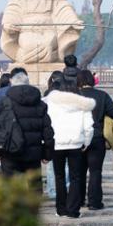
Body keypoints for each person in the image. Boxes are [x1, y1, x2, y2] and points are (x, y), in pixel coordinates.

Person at [0, 69, 54, 186]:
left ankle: (14, 204)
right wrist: (47, 153)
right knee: (34, 186)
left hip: (9, 150)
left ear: (12, 83)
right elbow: (48, 131)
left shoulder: (3, 103)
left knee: (10, 186)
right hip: (33, 152)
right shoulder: (40, 104)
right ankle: (33, 204)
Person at [44, 77, 94, 218]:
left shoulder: (51, 104)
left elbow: (47, 124)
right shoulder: (82, 104)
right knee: (75, 177)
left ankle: (61, 209)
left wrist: (46, 143)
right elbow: (89, 127)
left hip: (57, 143)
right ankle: (73, 210)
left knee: (59, 177)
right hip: (76, 143)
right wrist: (87, 142)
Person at [78, 69, 113, 209]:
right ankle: (94, 203)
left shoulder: (74, 96)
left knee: (78, 172)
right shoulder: (102, 95)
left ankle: (78, 201)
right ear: (91, 80)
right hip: (97, 137)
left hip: (78, 138)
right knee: (95, 171)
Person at [43, 71, 68, 199]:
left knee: (51, 167)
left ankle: (52, 191)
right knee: (66, 166)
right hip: (66, 136)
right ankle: (66, 188)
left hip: (51, 137)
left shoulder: (45, 100)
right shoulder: (68, 100)